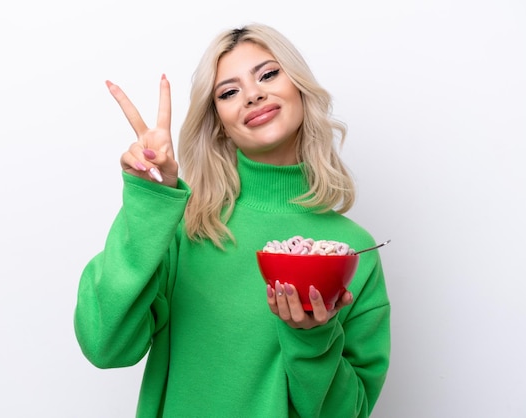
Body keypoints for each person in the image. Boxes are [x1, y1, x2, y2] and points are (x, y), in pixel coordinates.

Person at [74, 23, 390, 418]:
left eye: (269, 74)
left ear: (300, 88)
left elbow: (350, 413)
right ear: (218, 123)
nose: (254, 94)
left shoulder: (351, 253)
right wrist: (148, 201)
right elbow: (104, 345)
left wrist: (313, 339)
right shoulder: (183, 227)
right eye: (229, 92)